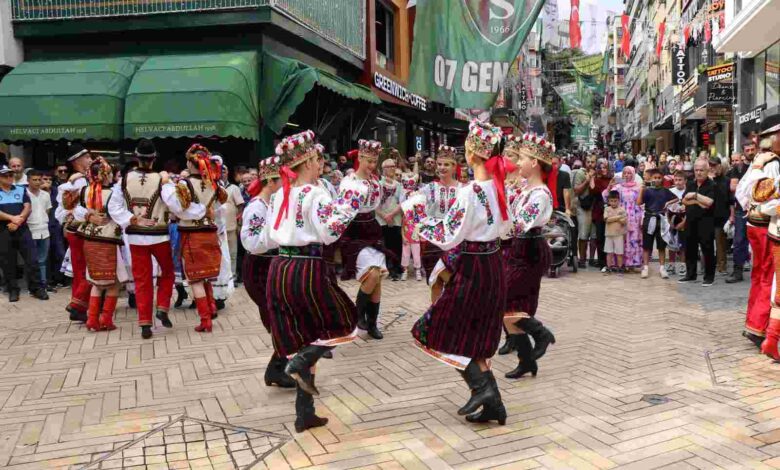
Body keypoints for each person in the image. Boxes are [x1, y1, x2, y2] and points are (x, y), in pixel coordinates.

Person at [402, 120, 510, 425]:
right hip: (492, 263)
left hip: (474, 266)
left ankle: (482, 390)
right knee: (472, 334)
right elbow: (506, 228)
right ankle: (493, 404)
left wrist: (416, 213)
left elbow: (449, 235)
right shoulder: (495, 187)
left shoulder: (470, 191)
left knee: (439, 327)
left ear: (471, 152)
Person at [264, 130, 363, 433]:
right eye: (319, 159)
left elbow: (268, 236)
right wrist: (350, 203)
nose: (322, 163)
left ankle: (304, 412)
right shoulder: (314, 193)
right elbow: (329, 232)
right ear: (308, 162)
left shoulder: (281, 193)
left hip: (279, 267)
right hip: (307, 267)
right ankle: (298, 365)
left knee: (302, 335)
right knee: (343, 321)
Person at [500, 134, 555, 381]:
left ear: (534, 162)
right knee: (510, 310)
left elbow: (520, 224)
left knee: (504, 303)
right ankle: (526, 361)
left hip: (530, 250)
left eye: (521, 158)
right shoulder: (524, 189)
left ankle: (541, 334)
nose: (517, 163)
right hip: (518, 249)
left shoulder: (540, 194)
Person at [108, 139, 176, 339]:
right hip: (160, 234)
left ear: (136, 158)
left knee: (142, 281)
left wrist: (132, 218)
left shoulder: (124, 180)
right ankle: (162, 307)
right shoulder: (162, 180)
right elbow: (174, 204)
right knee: (168, 273)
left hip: (136, 237)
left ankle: (145, 323)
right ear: (154, 159)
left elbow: (113, 207)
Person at [240, 156, 295, 388]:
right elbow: (250, 242)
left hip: (271, 266)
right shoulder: (256, 208)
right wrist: (278, 237)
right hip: (259, 270)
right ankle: (277, 368)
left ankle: (277, 367)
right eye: (282, 182)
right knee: (280, 320)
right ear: (271, 182)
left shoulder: (270, 205)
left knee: (285, 319)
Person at [165, 144, 227, 333]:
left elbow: (179, 209)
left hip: (191, 234)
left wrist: (167, 185)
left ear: (190, 164)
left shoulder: (184, 184)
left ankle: (205, 320)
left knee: (196, 280)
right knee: (207, 275)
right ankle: (211, 308)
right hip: (210, 232)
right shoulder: (214, 183)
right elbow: (218, 208)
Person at [337, 140, 392, 340]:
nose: (372, 165)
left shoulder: (375, 181)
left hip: (372, 229)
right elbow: (343, 209)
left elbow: (376, 205)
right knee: (373, 274)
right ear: (359, 157)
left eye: (374, 161)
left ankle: (372, 323)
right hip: (354, 230)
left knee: (377, 279)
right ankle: (357, 316)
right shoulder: (349, 181)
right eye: (369, 161)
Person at [741, 114, 780, 358]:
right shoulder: (772, 162)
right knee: (769, 278)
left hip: (757, 225)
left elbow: (743, 195)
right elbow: (764, 196)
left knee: (761, 276)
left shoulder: (760, 159)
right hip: (768, 227)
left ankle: (755, 325)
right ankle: (762, 329)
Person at [77, 157, 127, 332]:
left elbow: (74, 210)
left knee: (96, 282)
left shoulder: (84, 190)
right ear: (105, 175)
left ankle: (92, 319)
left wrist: (89, 216)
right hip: (108, 241)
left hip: (89, 240)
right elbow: (119, 214)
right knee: (114, 282)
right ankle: (105, 318)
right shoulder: (115, 193)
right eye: (111, 172)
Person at [56, 144, 94, 320]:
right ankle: (77, 305)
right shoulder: (78, 181)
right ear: (77, 161)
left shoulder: (82, 179)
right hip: (82, 230)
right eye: (87, 157)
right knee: (89, 269)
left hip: (77, 230)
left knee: (81, 270)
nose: (90, 160)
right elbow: (68, 208)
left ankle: (79, 308)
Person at [0, 165, 48, 301]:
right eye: (5, 175)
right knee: (8, 262)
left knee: (32, 259)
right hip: (3, 230)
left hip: (21, 228)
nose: (9, 178)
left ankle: (36, 288)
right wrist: (11, 218)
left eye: (10, 175)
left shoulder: (21, 190)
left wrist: (18, 220)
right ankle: (12, 290)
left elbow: (27, 207)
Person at [418, 146, 462, 289]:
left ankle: (452, 310)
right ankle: (437, 311)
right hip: (433, 240)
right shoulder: (428, 188)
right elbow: (413, 208)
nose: (442, 167)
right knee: (435, 281)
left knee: (453, 280)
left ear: (454, 167)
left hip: (455, 240)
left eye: (446, 164)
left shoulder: (464, 189)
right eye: (440, 164)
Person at [678, 159, 716, 286]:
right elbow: (684, 200)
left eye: (701, 170)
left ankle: (709, 277)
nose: (698, 173)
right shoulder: (690, 183)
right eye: (696, 170)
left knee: (707, 249)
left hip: (706, 221)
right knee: (690, 248)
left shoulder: (711, 185)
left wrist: (694, 195)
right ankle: (691, 274)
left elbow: (709, 202)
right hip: (691, 220)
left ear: (707, 170)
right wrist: (698, 201)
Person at [637, 168, 678, 279]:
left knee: (661, 245)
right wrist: (641, 189)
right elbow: (639, 202)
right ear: (651, 178)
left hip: (661, 219)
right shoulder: (647, 190)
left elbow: (677, 198)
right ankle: (645, 267)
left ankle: (662, 267)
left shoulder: (665, 191)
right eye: (655, 178)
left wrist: (668, 203)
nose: (657, 180)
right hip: (649, 218)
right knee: (646, 245)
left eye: (659, 178)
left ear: (662, 179)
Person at [603, 166, 643, 270]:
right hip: (620, 216)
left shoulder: (638, 187)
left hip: (634, 217)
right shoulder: (618, 187)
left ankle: (632, 263)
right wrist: (609, 186)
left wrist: (642, 217)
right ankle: (620, 264)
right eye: (624, 173)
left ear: (633, 174)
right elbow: (606, 197)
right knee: (621, 240)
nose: (626, 175)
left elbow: (642, 202)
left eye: (629, 173)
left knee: (633, 239)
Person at [26, 169, 53, 293]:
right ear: (28, 181)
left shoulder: (45, 195)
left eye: (39, 180)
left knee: (42, 260)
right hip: (30, 230)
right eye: (34, 180)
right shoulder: (24, 194)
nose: (37, 182)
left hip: (44, 230)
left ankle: (43, 284)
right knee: (32, 260)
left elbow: (47, 211)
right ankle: (33, 286)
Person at [376, 158, 403, 280]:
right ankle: (386, 267)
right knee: (384, 244)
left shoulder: (399, 185)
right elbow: (374, 204)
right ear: (383, 169)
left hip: (395, 219)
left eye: (393, 166)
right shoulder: (378, 185)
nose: (392, 168)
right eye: (389, 166)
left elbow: (402, 203)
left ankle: (396, 268)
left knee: (396, 244)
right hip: (381, 220)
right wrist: (384, 216)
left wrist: (391, 215)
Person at [221, 161, 245, 285]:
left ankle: (233, 277)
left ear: (228, 173)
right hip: (217, 228)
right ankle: (222, 279)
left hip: (231, 226)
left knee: (232, 253)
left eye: (223, 171)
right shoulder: (213, 186)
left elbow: (240, 206)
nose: (221, 173)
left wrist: (237, 221)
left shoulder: (234, 188)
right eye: (219, 170)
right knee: (220, 254)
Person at [399, 157, 422, 281]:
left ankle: (418, 269)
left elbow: (416, 172)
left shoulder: (416, 180)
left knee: (416, 252)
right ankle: (405, 270)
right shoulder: (402, 176)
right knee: (405, 251)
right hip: (404, 199)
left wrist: (417, 160)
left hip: (415, 234)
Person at [727, 151, 749, 283]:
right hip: (740, 209)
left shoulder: (754, 167)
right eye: (733, 160)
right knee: (739, 240)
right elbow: (733, 188)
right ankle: (737, 271)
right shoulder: (733, 171)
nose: (735, 162)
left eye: (737, 160)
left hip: (756, 209)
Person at [573, 155, 598, 268]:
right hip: (583, 208)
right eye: (588, 162)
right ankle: (582, 260)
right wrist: (587, 180)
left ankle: (592, 259)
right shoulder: (580, 173)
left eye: (592, 162)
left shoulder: (598, 173)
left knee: (594, 235)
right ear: (584, 163)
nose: (590, 164)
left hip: (595, 208)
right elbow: (577, 190)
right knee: (583, 235)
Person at [709, 157, 731, 275]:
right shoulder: (706, 180)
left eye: (715, 165)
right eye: (711, 166)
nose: (713, 168)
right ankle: (706, 266)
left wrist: (731, 216)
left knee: (720, 243)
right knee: (706, 242)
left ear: (720, 166)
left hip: (721, 215)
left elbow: (727, 198)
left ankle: (722, 267)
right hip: (707, 216)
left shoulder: (726, 180)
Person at [591, 159, 612, 271]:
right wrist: (591, 178)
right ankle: (602, 262)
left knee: (611, 236)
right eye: (601, 167)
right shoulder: (597, 180)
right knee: (600, 237)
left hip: (612, 211)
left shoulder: (612, 180)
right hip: (599, 211)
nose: (603, 170)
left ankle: (611, 262)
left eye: (605, 167)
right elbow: (593, 190)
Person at [667, 171, 688, 275]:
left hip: (684, 221)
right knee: (671, 244)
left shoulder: (688, 192)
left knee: (683, 244)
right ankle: (671, 264)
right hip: (672, 220)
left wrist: (684, 222)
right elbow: (666, 208)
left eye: (680, 180)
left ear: (685, 181)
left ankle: (683, 265)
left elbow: (690, 209)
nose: (678, 182)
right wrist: (668, 221)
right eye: (676, 180)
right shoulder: (670, 191)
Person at [604, 190, 627, 273]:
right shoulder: (607, 209)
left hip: (619, 234)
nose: (613, 203)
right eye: (611, 201)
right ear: (608, 201)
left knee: (619, 252)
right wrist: (618, 217)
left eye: (615, 201)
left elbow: (624, 221)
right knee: (609, 252)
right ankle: (608, 267)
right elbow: (607, 220)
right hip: (609, 234)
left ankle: (620, 267)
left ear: (619, 200)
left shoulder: (622, 209)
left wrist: (613, 218)